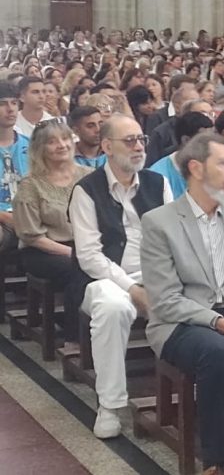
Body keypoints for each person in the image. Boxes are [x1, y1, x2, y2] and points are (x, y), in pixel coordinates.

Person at [140, 133, 224, 475]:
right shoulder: (159, 223)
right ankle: (214, 459)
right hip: (181, 322)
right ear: (196, 168)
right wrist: (220, 323)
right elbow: (165, 301)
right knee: (217, 350)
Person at [69, 113, 173, 439]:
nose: (139, 146)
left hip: (153, 273)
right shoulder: (86, 191)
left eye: (141, 139)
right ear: (107, 147)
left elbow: (172, 239)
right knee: (115, 307)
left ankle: (189, 397)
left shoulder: (158, 183)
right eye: (129, 141)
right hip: (101, 280)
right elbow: (89, 257)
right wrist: (132, 288)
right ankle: (110, 405)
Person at [12, 120, 91, 342]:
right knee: (78, 269)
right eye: (52, 142)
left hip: (85, 243)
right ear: (40, 149)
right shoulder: (31, 185)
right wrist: (73, 253)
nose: (61, 145)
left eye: (65, 139)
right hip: (43, 250)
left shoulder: (88, 175)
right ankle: (76, 337)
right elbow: (32, 236)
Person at [148, 112, 215, 198]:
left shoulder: (214, 167)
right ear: (186, 140)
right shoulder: (157, 176)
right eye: (204, 141)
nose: (211, 145)